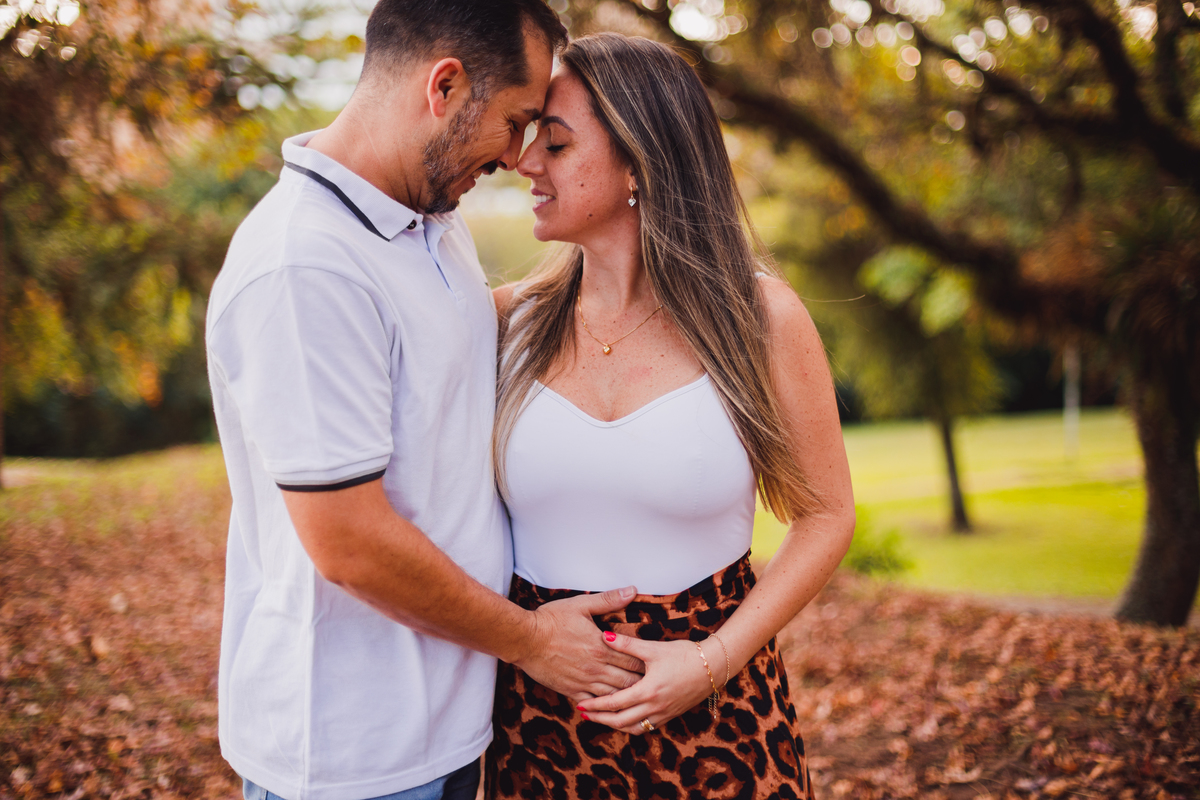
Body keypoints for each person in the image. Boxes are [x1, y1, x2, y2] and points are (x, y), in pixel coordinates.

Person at [204, 6, 646, 800]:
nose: (517, 158)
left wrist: (648, 281)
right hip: (351, 754)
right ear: (444, 87)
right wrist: (535, 644)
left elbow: (468, 329)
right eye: (515, 123)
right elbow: (349, 543)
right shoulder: (305, 267)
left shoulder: (426, 221)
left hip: (447, 723)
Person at [486, 34, 856, 800]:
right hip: (543, 728)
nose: (526, 163)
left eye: (555, 143)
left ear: (637, 164)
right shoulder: (500, 324)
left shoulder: (760, 319)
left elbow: (826, 517)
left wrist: (710, 662)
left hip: (723, 720)